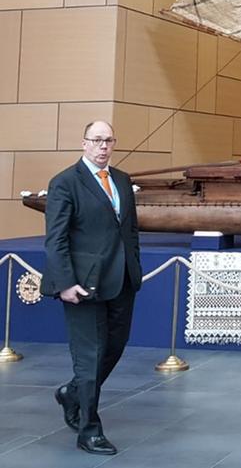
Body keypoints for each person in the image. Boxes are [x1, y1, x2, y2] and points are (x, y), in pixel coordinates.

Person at [40, 121, 142, 455]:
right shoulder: (65, 182)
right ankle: (89, 430)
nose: (103, 146)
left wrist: (134, 267)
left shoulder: (122, 180)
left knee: (114, 347)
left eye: (108, 140)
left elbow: (130, 230)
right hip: (83, 284)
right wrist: (65, 283)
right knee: (89, 356)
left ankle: (72, 394)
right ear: (84, 143)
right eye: (96, 140)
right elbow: (56, 238)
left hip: (122, 280)